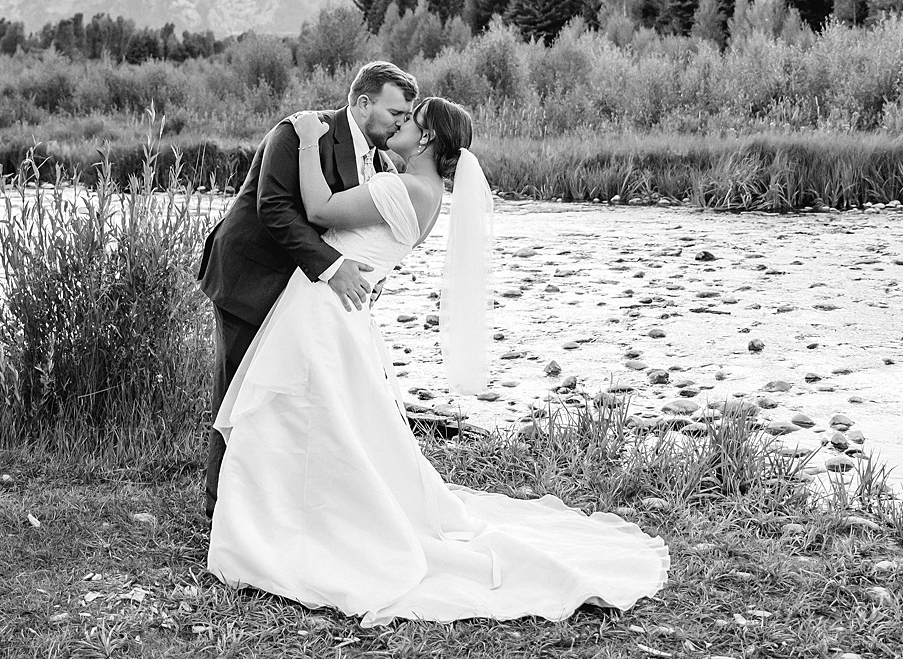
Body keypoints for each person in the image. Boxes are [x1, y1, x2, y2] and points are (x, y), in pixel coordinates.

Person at [207, 96, 669, 626]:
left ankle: (284, 524)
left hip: (324, 312)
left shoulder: (404, 189)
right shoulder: (423, 193)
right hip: (338, 313)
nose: (400, 125)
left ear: (426, 139)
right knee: (323, 422)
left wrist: (311, 140)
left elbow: (316, 210)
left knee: (306, 416)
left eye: (409, 121)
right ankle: (280, 516)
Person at [197, 60, 417, 519]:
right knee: (238, 391)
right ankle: (221, 511)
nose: (402, 122)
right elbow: (274, 208)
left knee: (289, 397)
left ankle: (276, 503)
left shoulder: (380, 160)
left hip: (303, 294)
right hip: (251, 275)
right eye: (396, 112)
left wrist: (370, 274)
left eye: (405, 116)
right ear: (363, 102)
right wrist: (333, 268)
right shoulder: (300, 132)